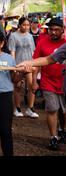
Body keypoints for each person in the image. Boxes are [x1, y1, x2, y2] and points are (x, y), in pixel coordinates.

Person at [31, 18, 66, 150]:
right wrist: (34, 82)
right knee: (52, 109)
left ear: (62, 30)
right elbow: (36, 63)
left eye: (57, 30)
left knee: (64, 111)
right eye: (51, 29)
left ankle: (63, 129)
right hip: (48, 82)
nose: (53, 32)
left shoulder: (65, 43)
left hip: (63, 82)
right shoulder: (42, 42)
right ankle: (53, 137)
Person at [8, 17, 39, 118]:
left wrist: (34, 64)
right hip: (19, 65)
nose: (26, 27)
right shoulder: (13, 36)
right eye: (24, 25)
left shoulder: (30, 36)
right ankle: (17, 108)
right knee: (17, 87)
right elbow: (12, 51)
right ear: (19, 25)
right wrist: (14, 66)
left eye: (27, 25)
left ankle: (30, 108)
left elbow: (33, 51)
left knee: (31, 87)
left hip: (29, 65)